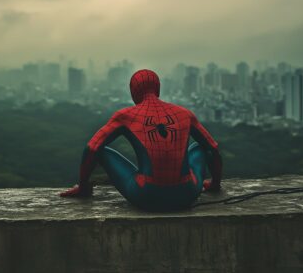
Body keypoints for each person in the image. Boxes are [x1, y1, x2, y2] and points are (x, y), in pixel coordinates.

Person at [60, 69, 222, 211]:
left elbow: (92, 148)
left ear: (133, 92)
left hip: (146, 196)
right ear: (158, 89)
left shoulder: (125, 115)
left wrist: (82, 185)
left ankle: (84, 189)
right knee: (200, 147)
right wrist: (214, 185)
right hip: (187, 194)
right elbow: (213, 147)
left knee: (102, 152)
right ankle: (214, 184)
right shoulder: (184, 113)